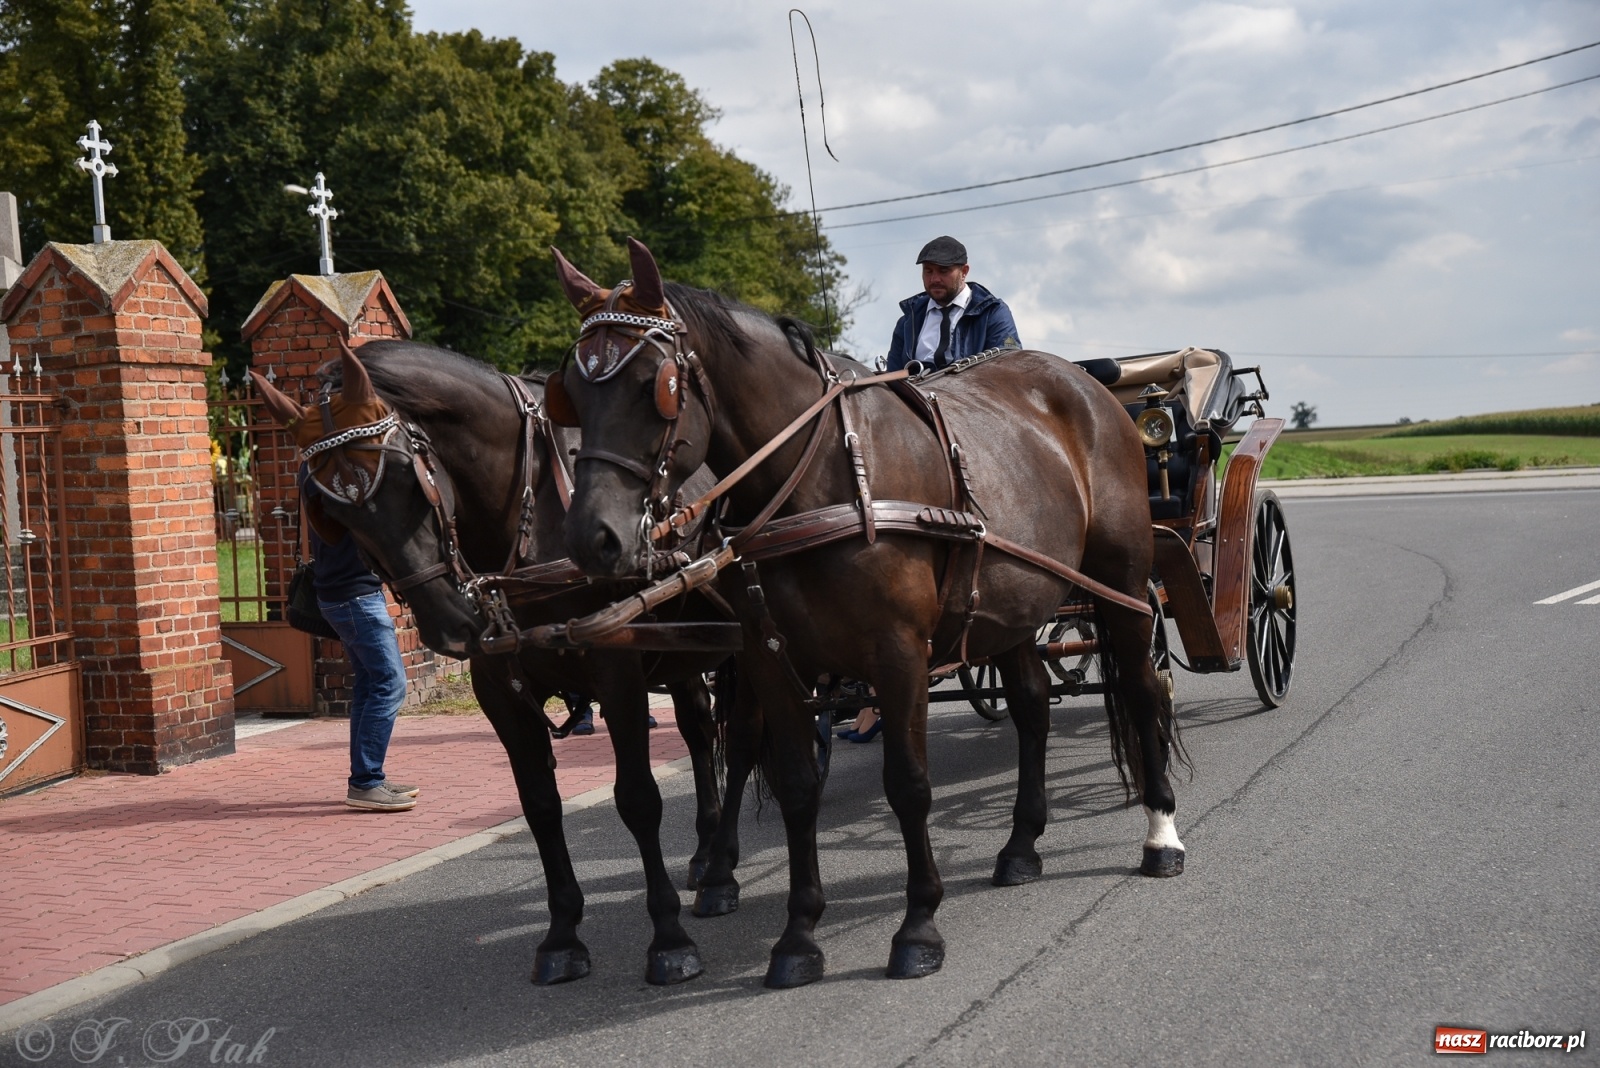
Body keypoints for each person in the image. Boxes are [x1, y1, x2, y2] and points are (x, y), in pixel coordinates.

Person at [305, 488, 418, 812]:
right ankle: (366, 783)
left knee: (370, 684)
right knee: (390, 684)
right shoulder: (330, 469)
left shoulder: (320, 466)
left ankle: (368, 778)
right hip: (354, 596)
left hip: (349, 592)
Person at [885, 236, 1022, 372]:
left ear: (964, 272)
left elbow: (1008, 370)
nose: (934, 279)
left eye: (943, 271)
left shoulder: (993, 313)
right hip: (914, 392)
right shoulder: (907, 322)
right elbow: (892, 379)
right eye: (928, 271)